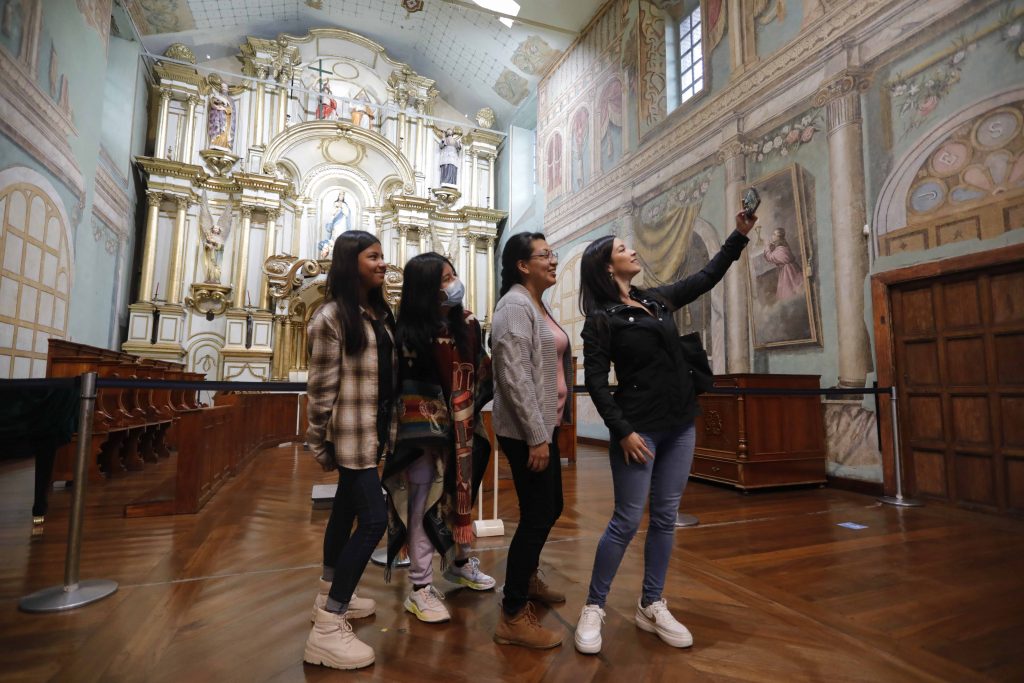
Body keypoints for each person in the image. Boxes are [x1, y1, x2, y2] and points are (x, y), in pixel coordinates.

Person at [573, 210, 757, 655]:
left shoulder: (655, 301)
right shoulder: (601, 320)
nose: (632, 251)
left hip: (679, 424)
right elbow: (597, 383)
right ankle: (594, 606)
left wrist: (739, 234)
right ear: (605, 267)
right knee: (625, 520)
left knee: (665, 517)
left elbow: (705, 277)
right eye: (622, 249)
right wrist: (622, 433)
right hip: (639, 430)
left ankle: (651, 602)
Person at [382, 253, 496, 624]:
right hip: (423, 435)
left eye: (454, 276)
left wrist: (466, 407)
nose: (454, 284)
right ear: (425, 290)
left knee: (461, 495)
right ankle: (420, 587)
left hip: (463, 428)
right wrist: (438, 419)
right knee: (425, 501)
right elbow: (401, 385)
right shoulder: (409, 331)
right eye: (444, 279)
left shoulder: (468, 323)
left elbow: (480, 369)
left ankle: (459, 563)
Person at [303, 230, 397, 671]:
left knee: (345, 509)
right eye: (373, 256)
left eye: (382, 256)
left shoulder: (376, 314)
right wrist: (318, 439)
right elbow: (321, 389)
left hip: (373, 431)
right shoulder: (330, 318)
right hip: (351, 431)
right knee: (374, 518)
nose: (382, 263)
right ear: (349, 262)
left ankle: (328, 587)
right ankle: (327, 626)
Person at [490, 232, 573, 649]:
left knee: (549, 506)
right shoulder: (513, 306)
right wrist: (537, 437)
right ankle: (511, 614)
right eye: (546, 255)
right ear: (523, 264)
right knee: (538, 514)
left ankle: (528, 578)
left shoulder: (537, 304)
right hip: (528, 431)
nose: (553, 260)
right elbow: (514, 375)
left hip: (544, 427)